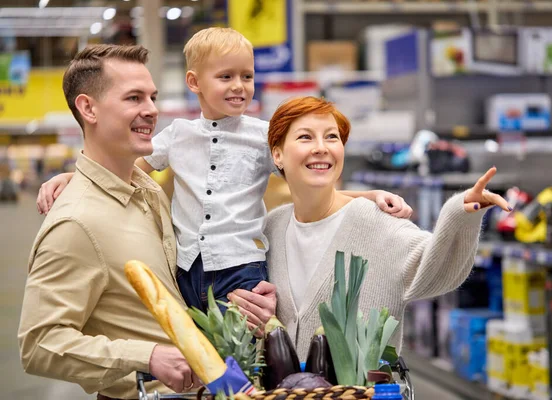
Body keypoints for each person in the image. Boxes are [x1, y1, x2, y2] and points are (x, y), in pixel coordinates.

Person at [36, 27, 413, 317]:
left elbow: (310, 184)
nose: (239, 87)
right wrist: (73, 176)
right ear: (194, 83)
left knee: (244, 356)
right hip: (185, 269)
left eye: (246, 77)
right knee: (193, 354)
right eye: (226, 77)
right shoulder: (177, 136)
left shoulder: (265, 136)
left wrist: (369, 196)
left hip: (241, 268)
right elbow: (122, 170)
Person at [18, 44, 237, 400]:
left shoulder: (146, 189)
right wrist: (146, 356)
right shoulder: (75, 223)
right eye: (134, 98)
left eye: (152, 97)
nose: (151, 110)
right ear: (88, 108)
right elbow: (39, 343)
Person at [228, 96, 512, 360]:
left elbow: (437, 270)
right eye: (305, 137)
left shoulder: (374, 224)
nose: (321, 148)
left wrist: (460, 212)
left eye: (332, 137)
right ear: (277, 155)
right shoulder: (271, 228)